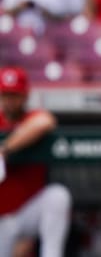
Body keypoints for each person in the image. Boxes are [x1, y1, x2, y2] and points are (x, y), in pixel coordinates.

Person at [0, 66, 72, 257]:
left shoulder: (32, 118)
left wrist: (5, 149)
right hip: (2, 220)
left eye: (15, 95)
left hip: (27, 212)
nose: (9, 101)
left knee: (58, 196)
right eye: (6, 95)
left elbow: (45, 122)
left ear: (25, 96)